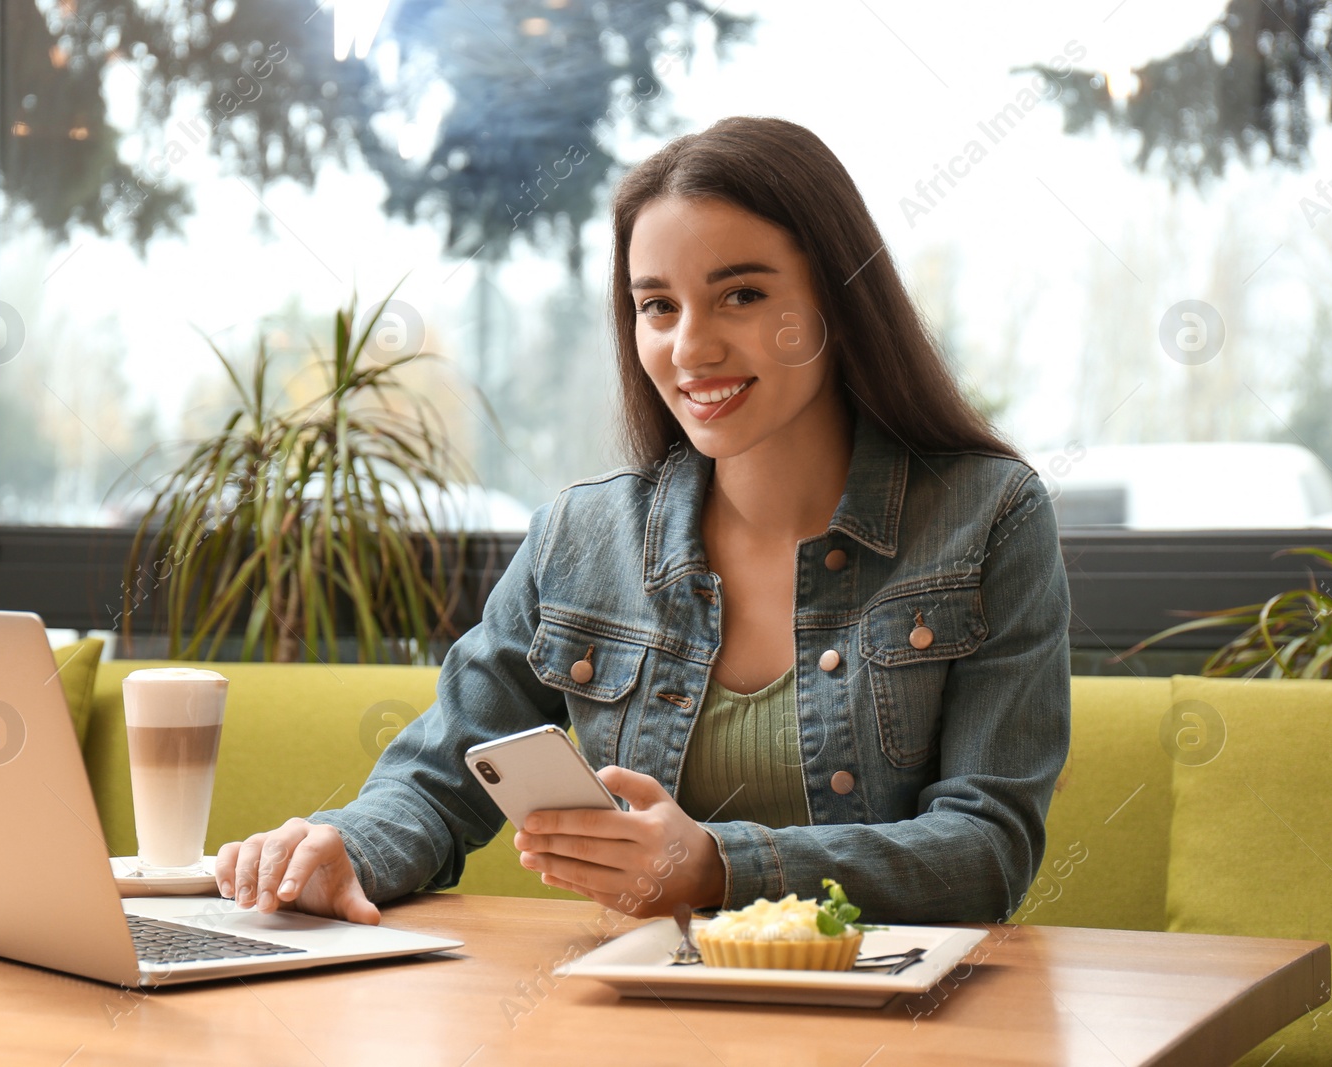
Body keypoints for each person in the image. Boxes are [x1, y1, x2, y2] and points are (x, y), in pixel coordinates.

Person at [215, 115, 1071, 926]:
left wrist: (720, 866)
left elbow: (987, 848)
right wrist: (347, 849)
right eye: (657, 305)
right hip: (640, 1007)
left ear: (836, 304)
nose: (690, 346)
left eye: (739, 294)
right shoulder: (581, 541)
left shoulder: (987, 518)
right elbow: (440, 776)